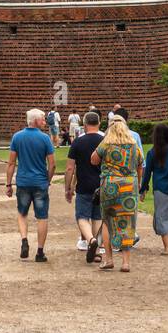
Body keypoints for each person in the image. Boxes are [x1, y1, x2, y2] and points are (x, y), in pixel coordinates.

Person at [91, 114, 143, 272]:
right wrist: (138, 182)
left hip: (110, 185)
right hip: (129, 186)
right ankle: (126, 262)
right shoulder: (134, 144)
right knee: (128, 222)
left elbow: (93, 159)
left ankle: (108, 259)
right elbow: (140, 164)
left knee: (107, 221)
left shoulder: (106, 144)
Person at [6, 109, 56, 262]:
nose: (44, 121)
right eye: (42, 119)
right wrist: (47, 180)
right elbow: (52, 164)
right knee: (42, 217)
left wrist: (8, 184)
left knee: (22, 213)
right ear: (35, 121)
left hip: (23, 181)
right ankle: (40, 252)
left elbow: (11, 163)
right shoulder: (45, 138)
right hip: (40, 182)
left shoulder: (17, 137)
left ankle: (24, 241)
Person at [139, 123, 168, 255]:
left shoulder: (152, 152)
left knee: (162, 216)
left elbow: (147, 173)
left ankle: (166, 247)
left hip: (160, 189)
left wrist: (143, 190)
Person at [65, 109, 103, 260]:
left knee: (82, 216)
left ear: (84, 124)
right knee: (97, 216)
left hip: (84, 184)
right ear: (99, 123)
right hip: (102, 184)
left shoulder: (78, 142)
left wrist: (68, 188)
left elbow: (69, 168)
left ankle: (91, 240)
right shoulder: (105, 140)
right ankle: (98, 250)